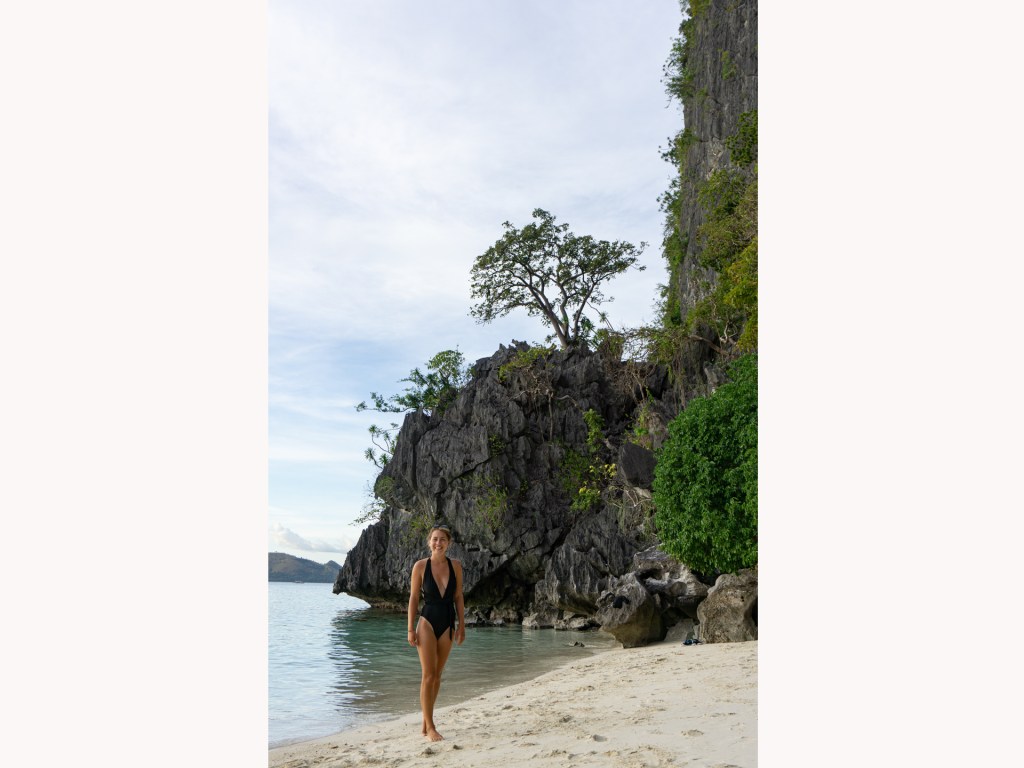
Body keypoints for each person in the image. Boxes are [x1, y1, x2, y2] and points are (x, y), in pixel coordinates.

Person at [407, 524, 465, 741]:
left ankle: (425, 722)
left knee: (438, 675)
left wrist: (462, 625)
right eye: (434, 539)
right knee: (428, 674)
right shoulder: (420, 566)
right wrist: (410, 629)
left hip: (448, 622)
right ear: (429, 542)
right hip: (427, 622)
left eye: (442, 539)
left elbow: (458, 596)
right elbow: (413, 598)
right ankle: (431, 727)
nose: (438, 543)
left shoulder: (456, 566)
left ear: (448, 543)